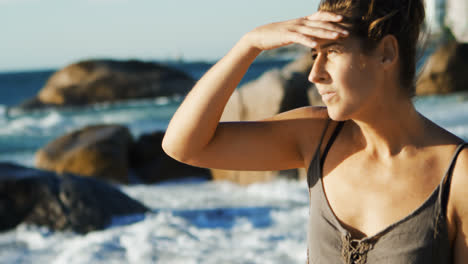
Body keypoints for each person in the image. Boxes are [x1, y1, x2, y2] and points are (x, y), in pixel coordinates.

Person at [162, 0, 468, 262]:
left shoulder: (458, 176)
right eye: (313, 55)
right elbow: (183, 146)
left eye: (332, 52)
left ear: (386, 52)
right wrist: (249, 44)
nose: (314, 74)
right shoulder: (317, 138)